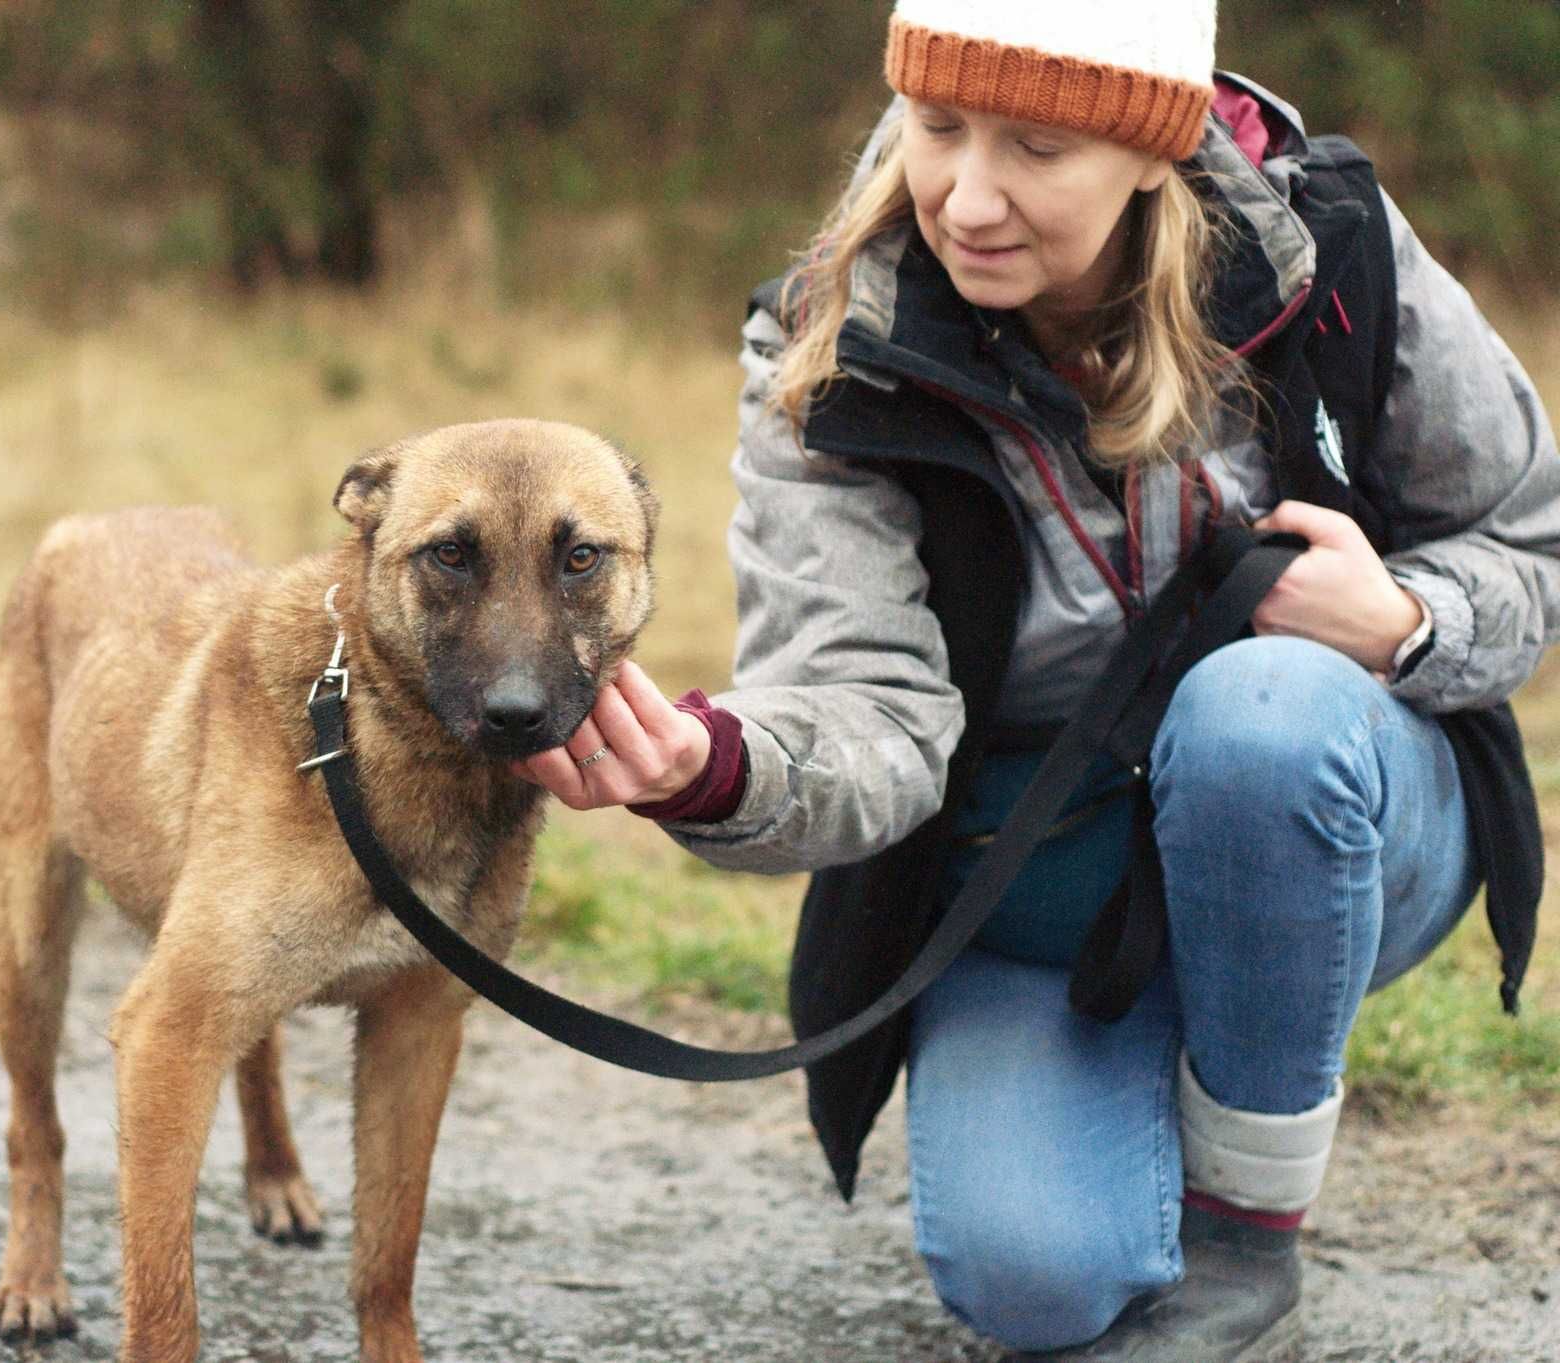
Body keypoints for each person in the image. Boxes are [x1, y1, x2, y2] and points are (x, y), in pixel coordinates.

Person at [510, 2, 1560, 1358]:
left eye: (1037, 149)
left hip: (1331, 818)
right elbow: (863, 713)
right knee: (1035, 1282)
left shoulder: (1333, 252)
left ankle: (1248, 1234)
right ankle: (1161, 1097)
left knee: (1262, 720)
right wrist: (717, 768)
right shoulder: (841, 347)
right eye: (937, 128)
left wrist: (1406, 615)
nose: (967, 194)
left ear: (1151, 148)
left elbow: (1532, 542)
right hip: (1041, 895)